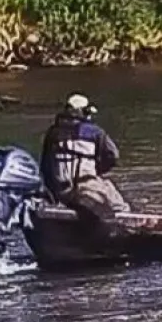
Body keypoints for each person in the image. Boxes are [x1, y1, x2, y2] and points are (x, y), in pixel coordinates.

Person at [39, 94, 129, 224]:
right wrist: (97, 170)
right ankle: (130, 229)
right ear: (84, 112)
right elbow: (113, 156)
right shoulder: (95, 133)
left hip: (60, 191)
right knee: (117, 203)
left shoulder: (52, 134)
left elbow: (45, 167)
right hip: (86, 187)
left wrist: (52, 192)